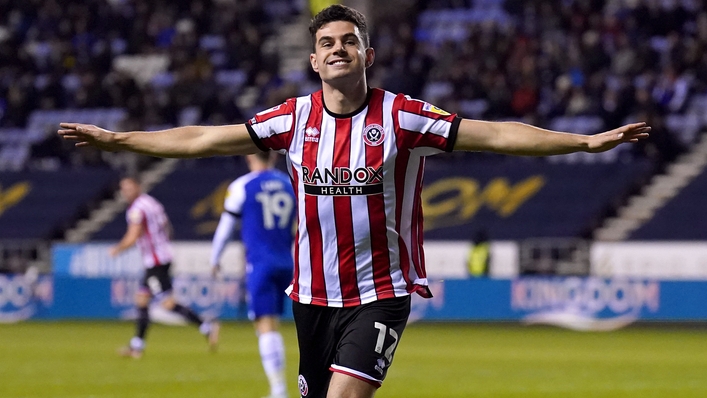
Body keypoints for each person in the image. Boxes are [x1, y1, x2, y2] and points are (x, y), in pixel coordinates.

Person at [58, 4, 650, 396]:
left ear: (367, 56)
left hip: (380, 294)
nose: (337, 48)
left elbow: (493, 132)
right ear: (314, 60)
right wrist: (119, 139)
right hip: (311, 297)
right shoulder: (291, 118)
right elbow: (201, 139)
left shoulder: (403, 116)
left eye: (349, 41)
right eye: (326, 42)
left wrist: (585, 141)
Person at [210, 152, 296, 398]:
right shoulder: (290, 183)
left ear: (250, 156)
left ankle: (278, 389)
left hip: (260, 263)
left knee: (265, 324)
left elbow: (226, 227)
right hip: (287, 260)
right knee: (282, 323)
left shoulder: (242, 186)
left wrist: (215, 258)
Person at [111, 176, 219, 358]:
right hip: (161, 257)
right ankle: (137, 346)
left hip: (156, 261)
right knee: (142, 299)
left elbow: (133, 235)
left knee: (167, 303)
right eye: (123, 189)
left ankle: (207, 326)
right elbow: (167, 227)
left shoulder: (137, 209)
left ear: (137, 186)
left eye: (129, 188)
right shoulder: (152, 203)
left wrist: (117, 249)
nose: (126, 192)